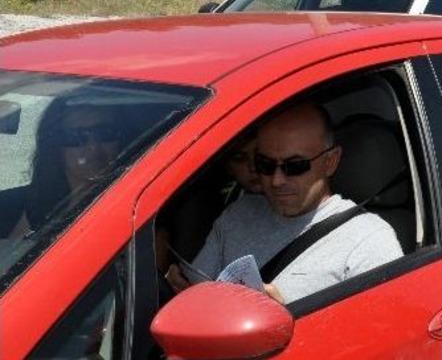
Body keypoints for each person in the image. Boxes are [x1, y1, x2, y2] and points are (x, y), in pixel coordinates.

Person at [166, 102, 403, 304]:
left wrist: (286, 313)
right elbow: (199, 293)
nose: (277, 180)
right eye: (266, 165)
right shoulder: (239, 213)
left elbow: (382, 337)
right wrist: (183, 289)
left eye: (295, 166)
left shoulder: (368, 239)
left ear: (330, 161)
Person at [2, 100, 122, 238]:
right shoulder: (36, 205)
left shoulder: (135, 206)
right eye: (76, 137)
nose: (93, 147)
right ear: (55, 147)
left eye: (105, 133)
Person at [157, 131, 262, 273]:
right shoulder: (219, 208)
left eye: (260, 155)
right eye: (239, 158)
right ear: (228, 168)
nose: (253, 167)